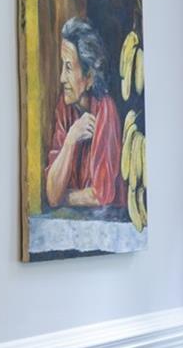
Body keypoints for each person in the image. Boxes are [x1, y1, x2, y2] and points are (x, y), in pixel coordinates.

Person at [45, 16, 126, 212]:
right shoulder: (64, 109)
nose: (62, 78)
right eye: (62, 66)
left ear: (89, 77)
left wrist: (64, 198)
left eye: (69, 67)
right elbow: (52, 193)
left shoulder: (105, 110)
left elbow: (100, 195)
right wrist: (71, 139)